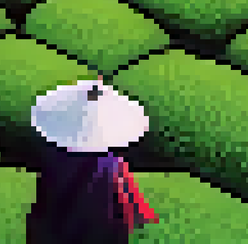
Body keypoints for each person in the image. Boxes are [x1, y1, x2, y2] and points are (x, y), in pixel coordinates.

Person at [27, 77, 158, 244]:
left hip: (59, 226)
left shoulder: (54, 155)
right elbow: (126, 199)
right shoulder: (111, 162)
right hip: (99, 226)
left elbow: (43, 196)